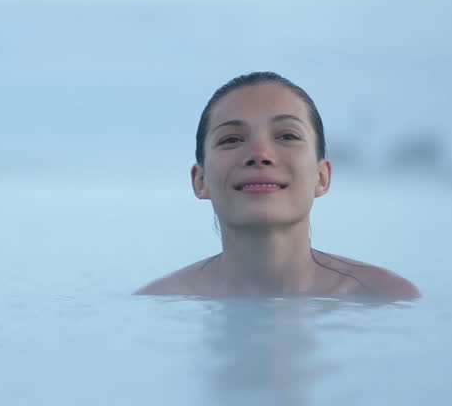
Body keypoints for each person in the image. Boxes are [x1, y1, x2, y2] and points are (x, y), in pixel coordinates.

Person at [135, 72, 420, 299]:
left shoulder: (385, 299)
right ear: (201, 181)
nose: (260, 155)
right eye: (231, 139)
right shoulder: (159, 303)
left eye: (286, 136)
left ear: (322, 177)